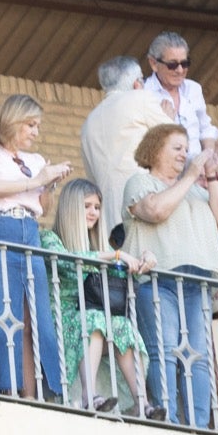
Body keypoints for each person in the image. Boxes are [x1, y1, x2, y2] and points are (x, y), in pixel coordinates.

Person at [0, 94, 70, 398]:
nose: (36, 132)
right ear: (13, 121)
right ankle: (5, 391)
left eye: (38, 126)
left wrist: (48, 184)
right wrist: (35, 181)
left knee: (33, 318)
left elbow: (42, 208)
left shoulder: (34, 161)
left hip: (28, 231)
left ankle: (32, 397)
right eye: (30, 125)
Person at [123, 123, 218, 428]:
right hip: (158, 280)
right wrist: (191, 175)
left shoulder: (195, 188)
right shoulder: (140, 182)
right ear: (155, 149)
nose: (184, 154)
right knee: (165, 351)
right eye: (177, 148)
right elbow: (155, 211)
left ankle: (198, 424)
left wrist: (211, 174)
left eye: (187, 148)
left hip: (198, 283)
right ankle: (166, 419)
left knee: (198, 356)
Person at [40, 178, 155, 416]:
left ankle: (142, 404)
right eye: (87, 206)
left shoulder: (102, 248)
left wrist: (143, 259)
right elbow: (68, 261)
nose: (94, 212)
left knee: (122, 324)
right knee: (93, 320)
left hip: (97, 320)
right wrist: (116, 255)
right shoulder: (50, 238)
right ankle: (88, 397)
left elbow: (119, 277)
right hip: (63, 320)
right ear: (71, 207)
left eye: (97, 207)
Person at [82, 55, 174, 214]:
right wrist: (170, 119)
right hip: (144, 203)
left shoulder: (88, 122)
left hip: (108, 215)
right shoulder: (140, 98)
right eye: (142, 79)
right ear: (136, 83)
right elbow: (176, 144)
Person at [143, 32, 218, 157]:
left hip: (196, 172)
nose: (180, 70)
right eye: (172, 65)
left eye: (184, 63)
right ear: (153, 64)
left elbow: (205, 128)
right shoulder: (143, 92)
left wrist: (208, 155)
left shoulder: (194, 89)